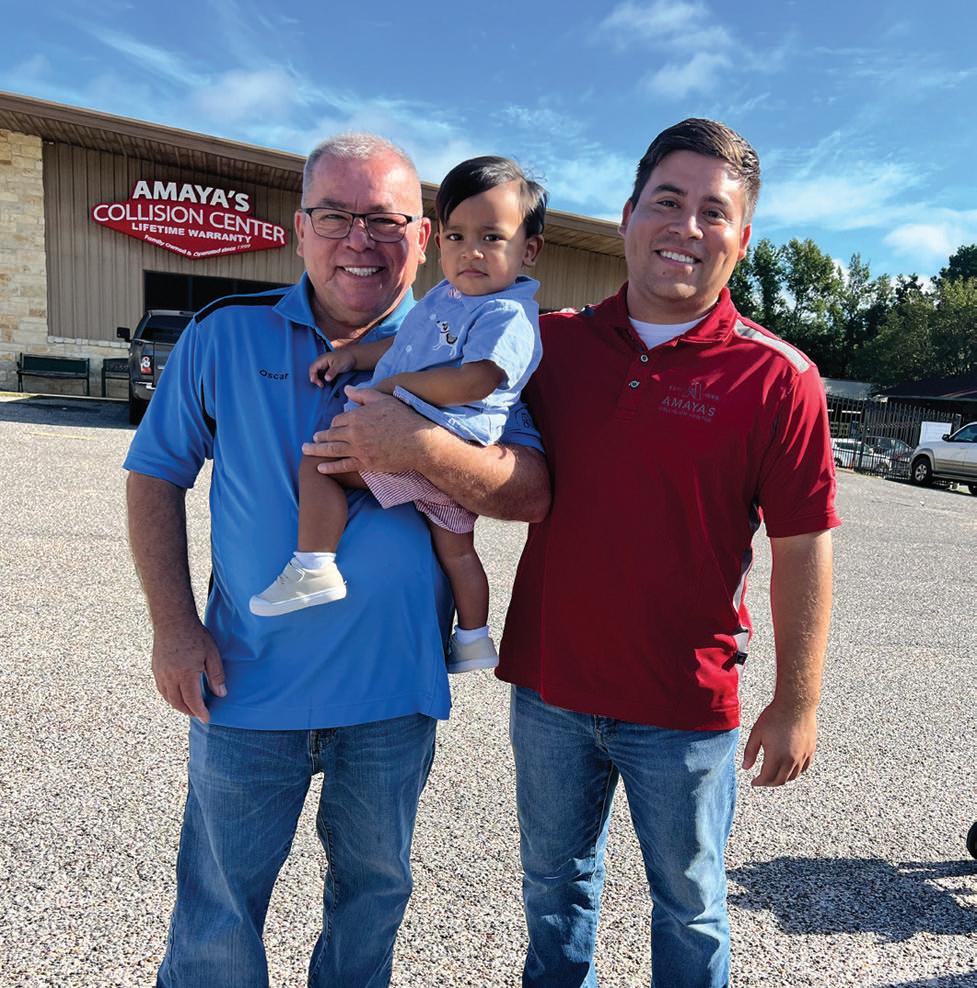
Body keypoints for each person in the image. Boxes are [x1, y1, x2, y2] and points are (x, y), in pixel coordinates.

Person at [124, 133, 549, 988]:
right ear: (299, 229)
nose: (360, 239)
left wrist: (420, 445)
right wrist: (173, 627)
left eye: (385, 220)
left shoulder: (461, 334)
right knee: (216, 913)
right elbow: (155, 474)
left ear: (419, 237)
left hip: (391, 697)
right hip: (245, 688)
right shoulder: (221, 333)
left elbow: (530, 491)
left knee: (371, 898)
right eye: (334, 216)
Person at [495, 119, 841, 987]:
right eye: (667, 201)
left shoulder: (779, 378)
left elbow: (803, 546)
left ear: (741, 239)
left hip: (682, 705)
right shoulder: (548, 344)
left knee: (689, 904)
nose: (686, 226)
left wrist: (796, 701)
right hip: (549, 686)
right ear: (627, 216)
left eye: (713, 212)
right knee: (552, 888)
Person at [249, 156, 546, 675]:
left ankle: (314, 564)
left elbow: (476, 380)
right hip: (448, 456)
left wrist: (392, 386)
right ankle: (474, 638)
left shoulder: (506, 313)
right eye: (456, 236)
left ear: (530, 249)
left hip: (442, 439)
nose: (471, 251)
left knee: (321, 464)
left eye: (492, 237)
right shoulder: (449, 299)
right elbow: (403, 345)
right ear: (439, 241)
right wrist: (354, 358)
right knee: (456, 551)